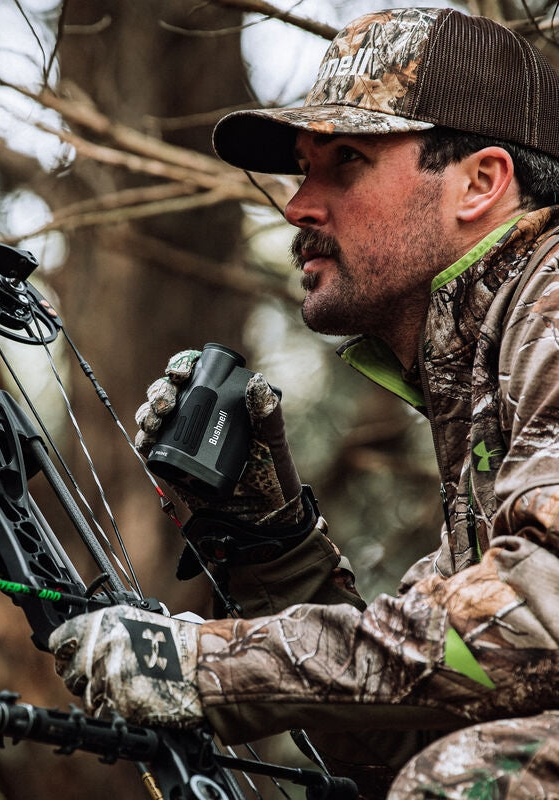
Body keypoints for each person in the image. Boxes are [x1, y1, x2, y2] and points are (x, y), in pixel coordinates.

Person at [49, 8, 559, 798]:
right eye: (300, 168)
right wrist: (273, 545)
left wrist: (203, 665)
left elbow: (534, 625)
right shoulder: (484, 384)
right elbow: (407, 729)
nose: (297, 206)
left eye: (347, 161)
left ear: (481, 182)